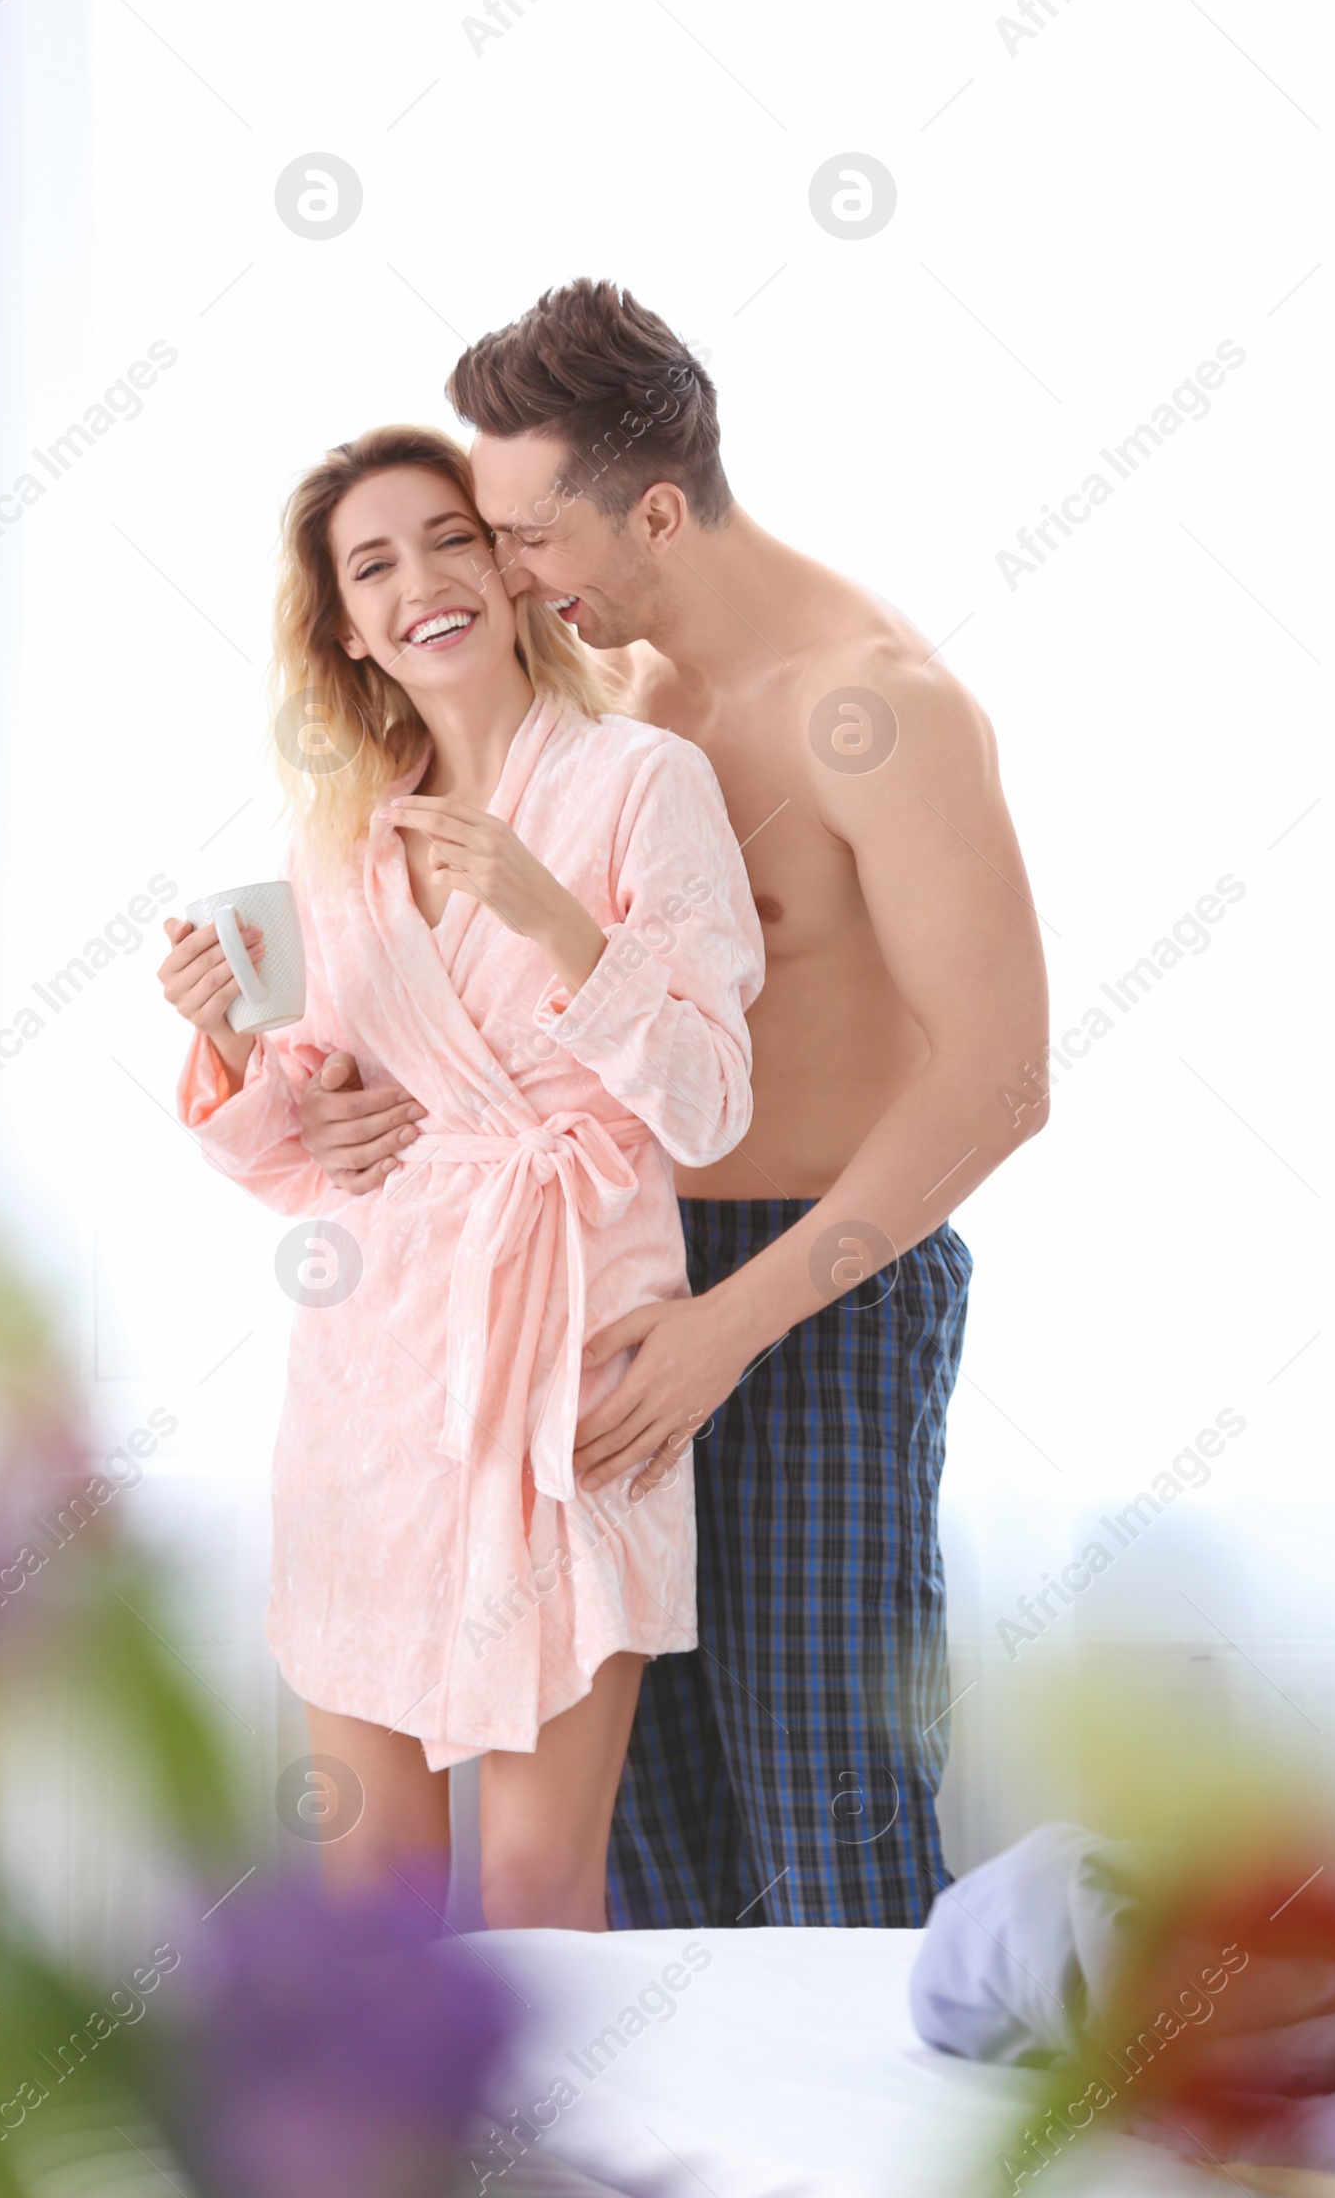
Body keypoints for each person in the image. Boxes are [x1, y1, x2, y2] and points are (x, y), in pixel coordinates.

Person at [297, 288, 1050, 1932]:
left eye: (519, 533)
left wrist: (737, 1326)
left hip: (814, 1288)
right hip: (604, 1280)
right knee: (641, 1867)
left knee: (825, 1825)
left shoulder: (879, 705)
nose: (498, 571)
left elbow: (1001, 1077)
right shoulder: (612, 700)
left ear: (651, 509)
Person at [158, 423, 763, 1932]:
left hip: (572, 1357)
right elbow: (312, 1157)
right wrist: (233, 1041)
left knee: (542, 1885)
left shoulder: (643, 779)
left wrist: (557, 920)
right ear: (350, 634)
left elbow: (710, 1109)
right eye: (375, 566)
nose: (423, 579)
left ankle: (549, 2178)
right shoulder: (338, 842)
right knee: (373, 1899)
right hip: (373, 1379)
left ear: (503, 565)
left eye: (449, 537)